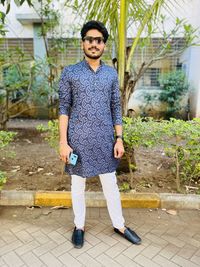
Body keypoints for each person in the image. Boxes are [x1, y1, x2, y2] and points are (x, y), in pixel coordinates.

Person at [58, 20, 141, 249]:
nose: (94, 44)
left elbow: (116, 107)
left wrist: (119, 138)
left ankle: (120, 225)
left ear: (104, 45)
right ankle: (79, 226)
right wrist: (64, 143)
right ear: (83, 43)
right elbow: (64, 108)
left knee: (110, 185)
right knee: (77, 186)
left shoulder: (111, 74)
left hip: (105, 140)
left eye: (98, 40)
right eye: (89, 40)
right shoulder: (70, 73)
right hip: (78, 141)